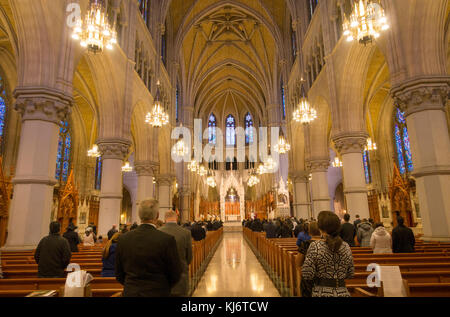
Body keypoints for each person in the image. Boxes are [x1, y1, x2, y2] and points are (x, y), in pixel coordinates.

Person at [115, 199, 182, 297]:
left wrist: (133, 287)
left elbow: (119, 273)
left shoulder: (123, 239)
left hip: (131, 293)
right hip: (159, 293)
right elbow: (175, 273)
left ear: (139, 215)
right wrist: (162, 286)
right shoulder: (167, 240)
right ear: (157, 215)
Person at [301, 211, 354, 297]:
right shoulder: (346, 246)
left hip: (322, 293)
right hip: (343, 293)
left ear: (321, 229)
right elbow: (350, 273)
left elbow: (307, 274)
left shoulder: (316, 246)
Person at [159, 211, 193, 297]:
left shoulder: (158, 232)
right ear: (177, 218)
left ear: (164, 219)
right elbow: (189, 257)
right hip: (180, 279)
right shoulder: (186, 233)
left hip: (162, 280)